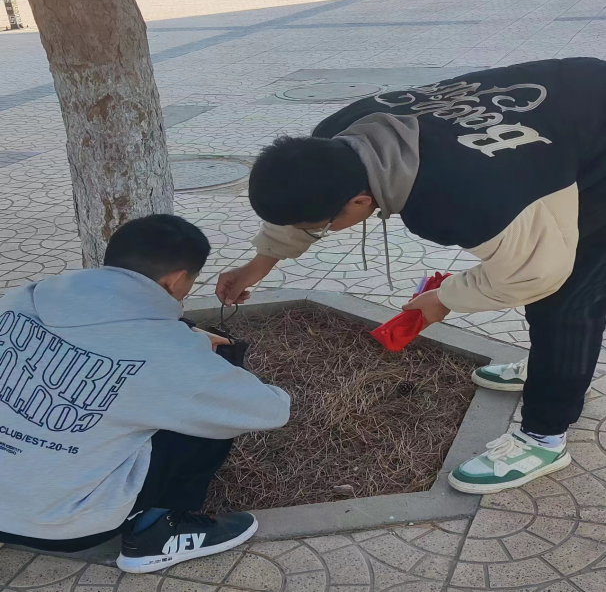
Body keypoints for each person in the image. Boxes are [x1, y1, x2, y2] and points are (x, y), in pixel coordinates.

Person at [216, 57, 606, 495]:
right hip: (574, 103)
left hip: (592, 136)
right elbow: (305, 202)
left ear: (360, 202)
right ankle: (550, 366)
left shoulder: (460, 197)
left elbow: (534, 272)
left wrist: (444, 299)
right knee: (557, 285)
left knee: (568, 300)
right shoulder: (338, 136)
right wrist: (259, 264)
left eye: (323, 227)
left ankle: (544, 437)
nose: (321, 231)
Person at [0, 215, 290, 573]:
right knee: (212, 414)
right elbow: (269, 410)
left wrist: (190, 337)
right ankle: (156, 532)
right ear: (176, 279)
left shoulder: (18, 299)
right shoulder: (168, 355)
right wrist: (205, 360)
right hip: (62, 526)